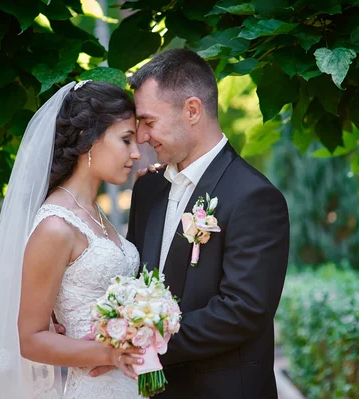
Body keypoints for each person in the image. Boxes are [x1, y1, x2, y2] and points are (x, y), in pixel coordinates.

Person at [92, 49, 291, 398]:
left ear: (193, 110)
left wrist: (141, 342)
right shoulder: (148, 188)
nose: (141, 137)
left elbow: (243, 311)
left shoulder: (254, 197)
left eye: (149, 122)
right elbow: (134, 278)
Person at [0, 80, 145, 399]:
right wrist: (109, 354)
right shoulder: (56, 225)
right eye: (126, 140)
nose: (136, 153)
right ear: (89, 138)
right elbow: (30, 338)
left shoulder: (96, 213)